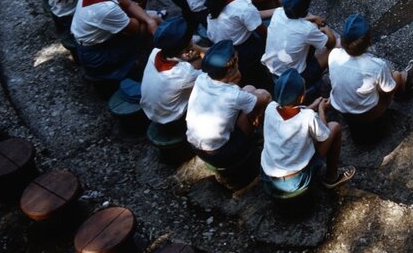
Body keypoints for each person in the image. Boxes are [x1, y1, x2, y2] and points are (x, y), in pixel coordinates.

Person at [71, 0, 161, 82]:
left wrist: (149, 20)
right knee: (146, 26)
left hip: (100, 40)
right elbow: (134, 27)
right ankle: (154, 59)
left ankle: (159, 45)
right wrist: (149, 21)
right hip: (97, 54)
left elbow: (129, 4)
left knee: (151, 21)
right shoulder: (106, 8)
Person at [327, 13, 413, 139]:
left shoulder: (334, 55)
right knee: (395, 76)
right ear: (369, 41)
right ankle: (405, 80)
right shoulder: (376, 66)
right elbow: (388, 90)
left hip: (342, 110)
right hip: (368, 112)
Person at [261, 69, 354, 193]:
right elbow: (325, 135)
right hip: (294, 181)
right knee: (334, 127)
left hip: (269, 177)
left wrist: (311, 107)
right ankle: (332, 178)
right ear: (302, 96)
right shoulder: (309, 116)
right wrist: (321, 109)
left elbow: (292, 118)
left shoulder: (270, 108)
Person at [185, 39, 271, 169]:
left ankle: (252, 127)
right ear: (230, 71)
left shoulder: (202, 78)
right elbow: (264, 98)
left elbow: (239, 91)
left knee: (249, 89)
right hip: (221, 153)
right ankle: (268, 138)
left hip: (196, 147)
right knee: (263, 94)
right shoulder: (233, 95)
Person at [262, 0, 336, 98]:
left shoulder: (278, 13)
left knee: (309, 35)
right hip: (296, 76)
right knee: (338, 46)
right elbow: (331, 43)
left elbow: (294, 25)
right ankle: (313, 83)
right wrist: (326, 28)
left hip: (272, 70)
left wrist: (312, 19)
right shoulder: (307, 29)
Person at [140, 15, 201, 141]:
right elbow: (207, 68)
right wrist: (200, 50)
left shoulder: (155, 52)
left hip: (151, 112)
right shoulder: (184, 74)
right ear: (185, 50)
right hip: (173, 121)